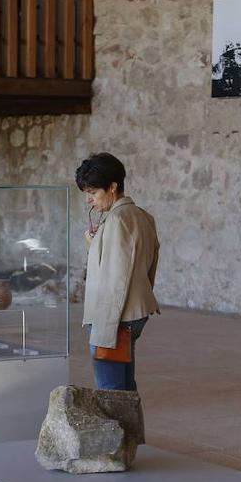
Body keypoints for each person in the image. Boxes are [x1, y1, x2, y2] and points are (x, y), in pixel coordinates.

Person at [77, 153, 160, 391]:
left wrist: (104, 332)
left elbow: (115, 280)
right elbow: (146, 262)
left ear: (112, 187)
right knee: (126, 387)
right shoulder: (142, 216)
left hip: (115, 317)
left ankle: (121, 430)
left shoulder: (116, 220)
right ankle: (132, 429)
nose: (89, 200)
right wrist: (96, 245)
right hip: (135, 311)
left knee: (110, 391)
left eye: (93, 193)